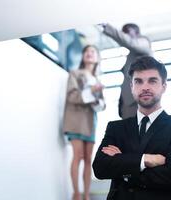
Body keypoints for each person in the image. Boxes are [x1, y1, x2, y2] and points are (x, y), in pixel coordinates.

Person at [92, 56, 171, 200]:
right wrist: (146, 159)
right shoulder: (116, 128)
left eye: (152, 81)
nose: (145, 87)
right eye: (138, 81)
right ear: (132, 87)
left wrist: (124, 169)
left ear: (164, 86)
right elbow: (100, 168)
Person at [63, 45, 105, 200]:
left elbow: (101, 105)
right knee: (78, 156)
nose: (89, 54)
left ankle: (86, 196)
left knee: (88, 158)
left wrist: (98, 98)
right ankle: (76, 194)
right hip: (76, 120)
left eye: (93, 52)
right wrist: (92, 91)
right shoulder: (75, 74)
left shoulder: (97, 80)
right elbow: (72, 97)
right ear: (82, 56)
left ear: (97, 58)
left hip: (91, 121)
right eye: (87, 51)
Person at [101, 23, 153, 119]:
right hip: (128, 102)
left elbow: (131, 43)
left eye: (126, 32)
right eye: (123, 33)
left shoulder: (144, 42)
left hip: (139, 101)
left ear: (137, 32)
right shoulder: (131, 55)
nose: (124, 36)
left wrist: (106, 26)